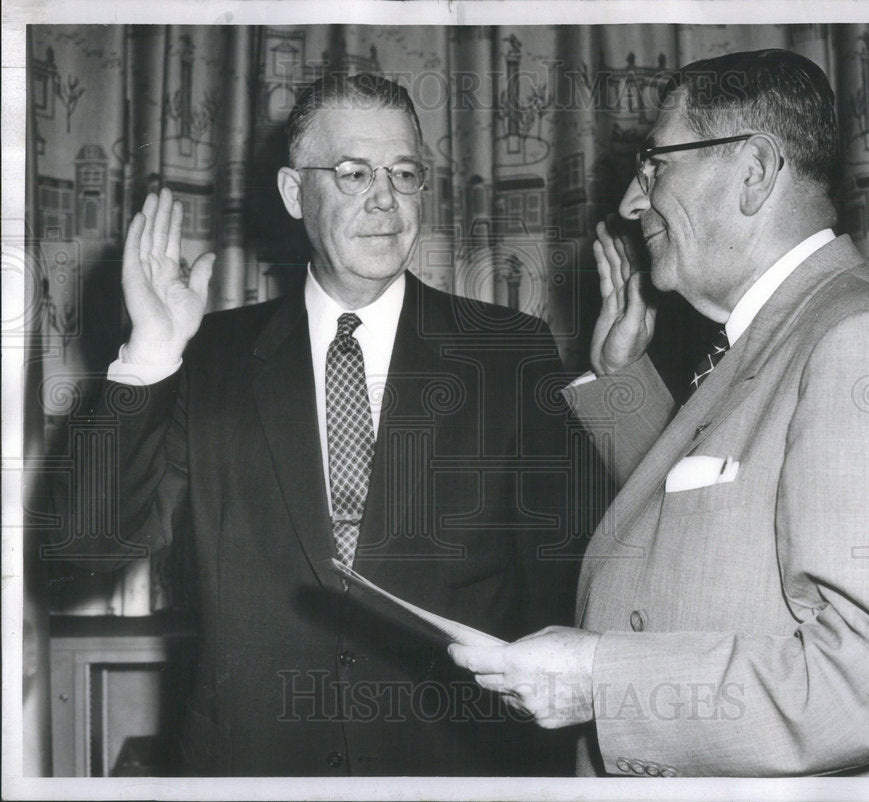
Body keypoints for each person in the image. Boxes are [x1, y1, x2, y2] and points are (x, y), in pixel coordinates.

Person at [55, 73, 591, 776]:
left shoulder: (509, 350)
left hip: (455, 767)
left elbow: (574, 575)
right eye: (352, 173)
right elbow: (88, 543)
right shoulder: (208, 358)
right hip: (256, 765)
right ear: (291, 193)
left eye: (404, 173)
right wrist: (151, 352)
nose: (385, 200)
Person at [449, 49, 869, 777]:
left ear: (753, 172)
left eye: (656, 164)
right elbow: (712, 537)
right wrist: (622, 382)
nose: (632, 201)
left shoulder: (861, 343)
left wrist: (605, 679)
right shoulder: (775, 335)